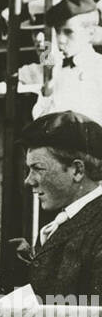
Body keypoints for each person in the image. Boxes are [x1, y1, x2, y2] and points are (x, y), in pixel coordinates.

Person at [21, 112, 102, 300]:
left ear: (77, 170)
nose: (28, 181)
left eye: (38, 168)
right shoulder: (69, 221)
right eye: (28, 169)